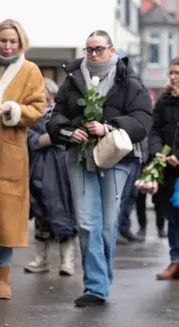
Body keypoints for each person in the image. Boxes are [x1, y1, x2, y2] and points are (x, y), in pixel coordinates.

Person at [47, 30, 152, 307]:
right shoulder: (72, 79)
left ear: (111, 50)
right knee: (85, 221)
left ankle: (101, 279)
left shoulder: (127, 78)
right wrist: (70, 132)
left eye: (99, 49)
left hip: (116, 158)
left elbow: (142, 120)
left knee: (107, 225)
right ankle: (96, 286)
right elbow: (56, 115)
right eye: (89, 49)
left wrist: (109, 126)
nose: (93, 55)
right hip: (79, 156)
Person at [0, 19, 45, 300]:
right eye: (3, 40)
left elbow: (38, 106)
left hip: (10, 149)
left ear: (21, 43)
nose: (7, 45)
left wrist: (14, 108)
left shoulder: (30, 70)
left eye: (12, 41)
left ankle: (2, 276)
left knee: (6, 215)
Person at [24, 78, 77, 276]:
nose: (45, 101)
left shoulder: (63, 114)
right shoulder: (31, 116)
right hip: (38, 171)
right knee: (41, 215)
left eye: (47, 97)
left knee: (64, 214)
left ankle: (67, 261)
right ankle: (41, 259)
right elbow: (34, 141)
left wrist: (56, 135)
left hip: (61, 171)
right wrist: (58, 135)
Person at [148, 57, 179, 280]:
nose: (172, 77)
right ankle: (176, 261)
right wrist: (158, 151)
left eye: (177, 72)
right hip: (168, 168)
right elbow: (154, 131)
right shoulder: (164, 100)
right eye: (171, 72)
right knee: (173, 216)